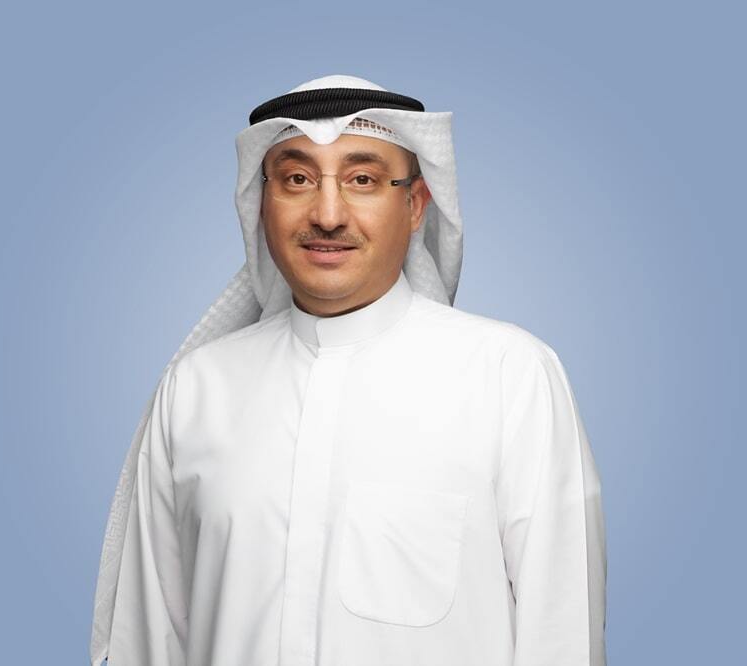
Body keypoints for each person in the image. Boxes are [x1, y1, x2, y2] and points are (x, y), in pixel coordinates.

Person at [89, 74, 607, 666]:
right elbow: (149, 643)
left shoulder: (510, 377)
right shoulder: (196, 391)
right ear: (261, 203)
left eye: (363, 180)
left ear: (415, 204)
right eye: (297, 179)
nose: (329, 214)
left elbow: (563, 635)